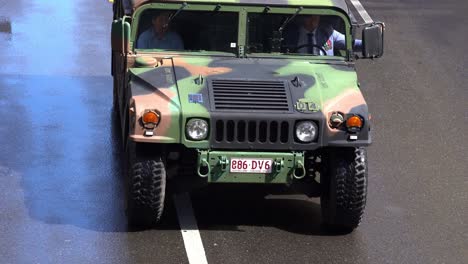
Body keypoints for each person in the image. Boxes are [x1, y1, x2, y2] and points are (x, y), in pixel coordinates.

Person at [284, 15, 361, 55]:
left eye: (316, 14)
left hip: (326, 70)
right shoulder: (289, 34)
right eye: (309, 16)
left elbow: (351, 43)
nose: (313, 18)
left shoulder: (327, 31)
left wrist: (370, 43)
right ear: (301, 18)